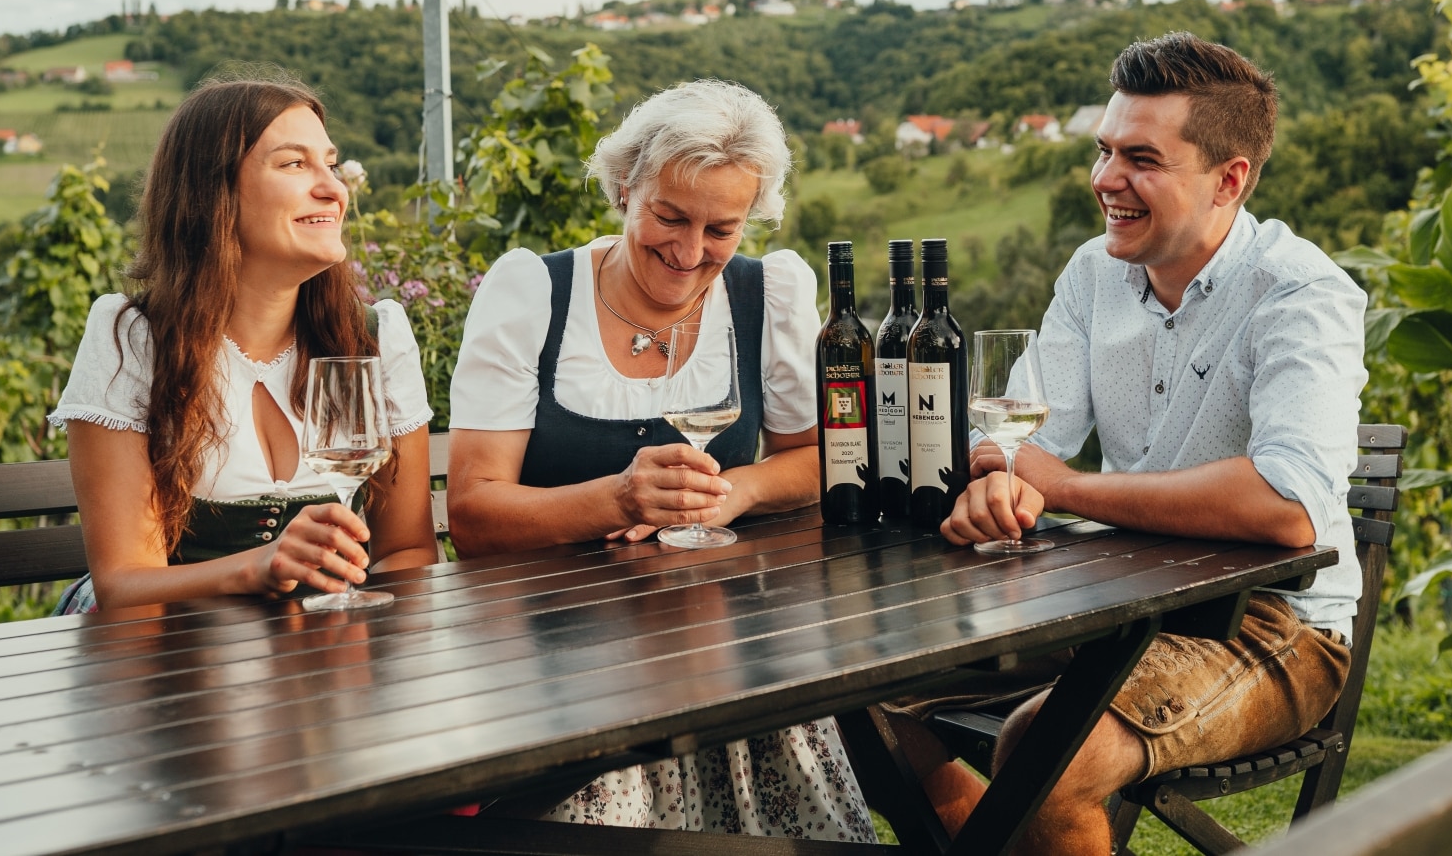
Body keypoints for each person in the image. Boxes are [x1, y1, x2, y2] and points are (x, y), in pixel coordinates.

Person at [886, 32, 1365, 856]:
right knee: (862, 691)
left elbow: (1289, 509)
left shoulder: (1301, 292)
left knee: (1048, 751)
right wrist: (1001, 484)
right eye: (1106, 150)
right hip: (1111, 604)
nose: (1107, 179)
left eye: (1141, 158)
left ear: (1230, 178)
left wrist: (1062, 487)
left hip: (1271, 626)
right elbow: (1012, 435)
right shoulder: (1094, 272)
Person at [446, 79, 875, 840]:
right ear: (623, 187)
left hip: (728, 655)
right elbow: (474, 512)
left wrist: (735, 491)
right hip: (561, 666)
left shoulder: (767, 292)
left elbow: (824, 459)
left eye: (721, 228)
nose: (688, 251)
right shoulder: (533, 293)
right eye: (670, 216)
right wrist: (619, 496)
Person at [49, 77, 438, 613]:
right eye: (294, 164)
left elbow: (408, 550)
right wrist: (258, 567)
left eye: (330, 163)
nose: (333, 188)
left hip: (314, 653)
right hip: (163, 652)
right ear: (213, 193)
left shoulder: (374, 337)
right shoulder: (134, 339)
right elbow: (123, 584)